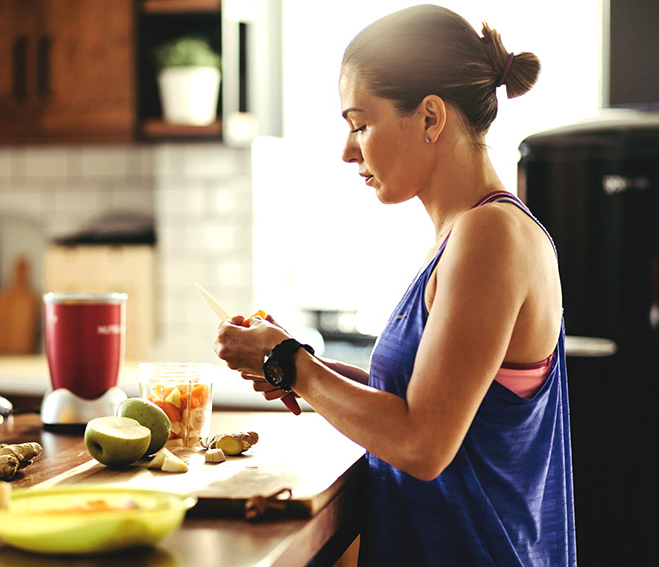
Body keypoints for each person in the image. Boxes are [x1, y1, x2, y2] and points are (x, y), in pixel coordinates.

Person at [214, 4, 576, 566]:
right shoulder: (466, 234)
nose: (347, 149)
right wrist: (295, 362)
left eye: (360, 123)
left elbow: (423, 444)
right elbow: (426, 400)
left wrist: (293, 365)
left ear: (431, 118)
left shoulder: (490, 237)